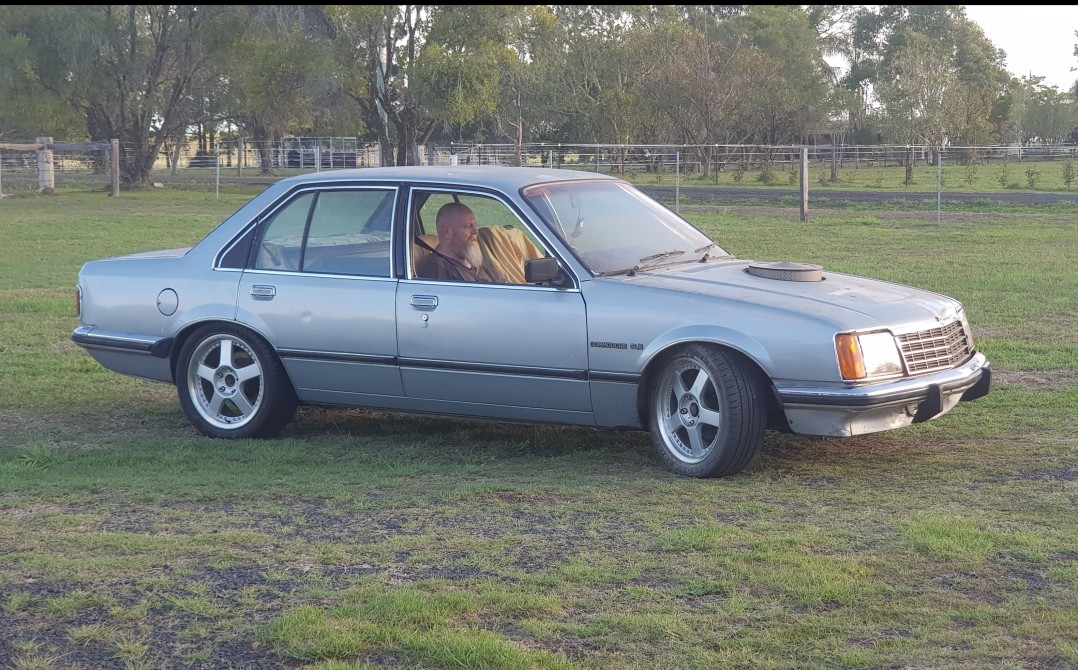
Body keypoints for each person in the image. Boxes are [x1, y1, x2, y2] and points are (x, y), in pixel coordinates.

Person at [416, 202, 494, 282]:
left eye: (475, 225)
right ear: (446, 232)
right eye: (467, 226)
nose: (475, 231)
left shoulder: (473, 263)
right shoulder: (437, 267)